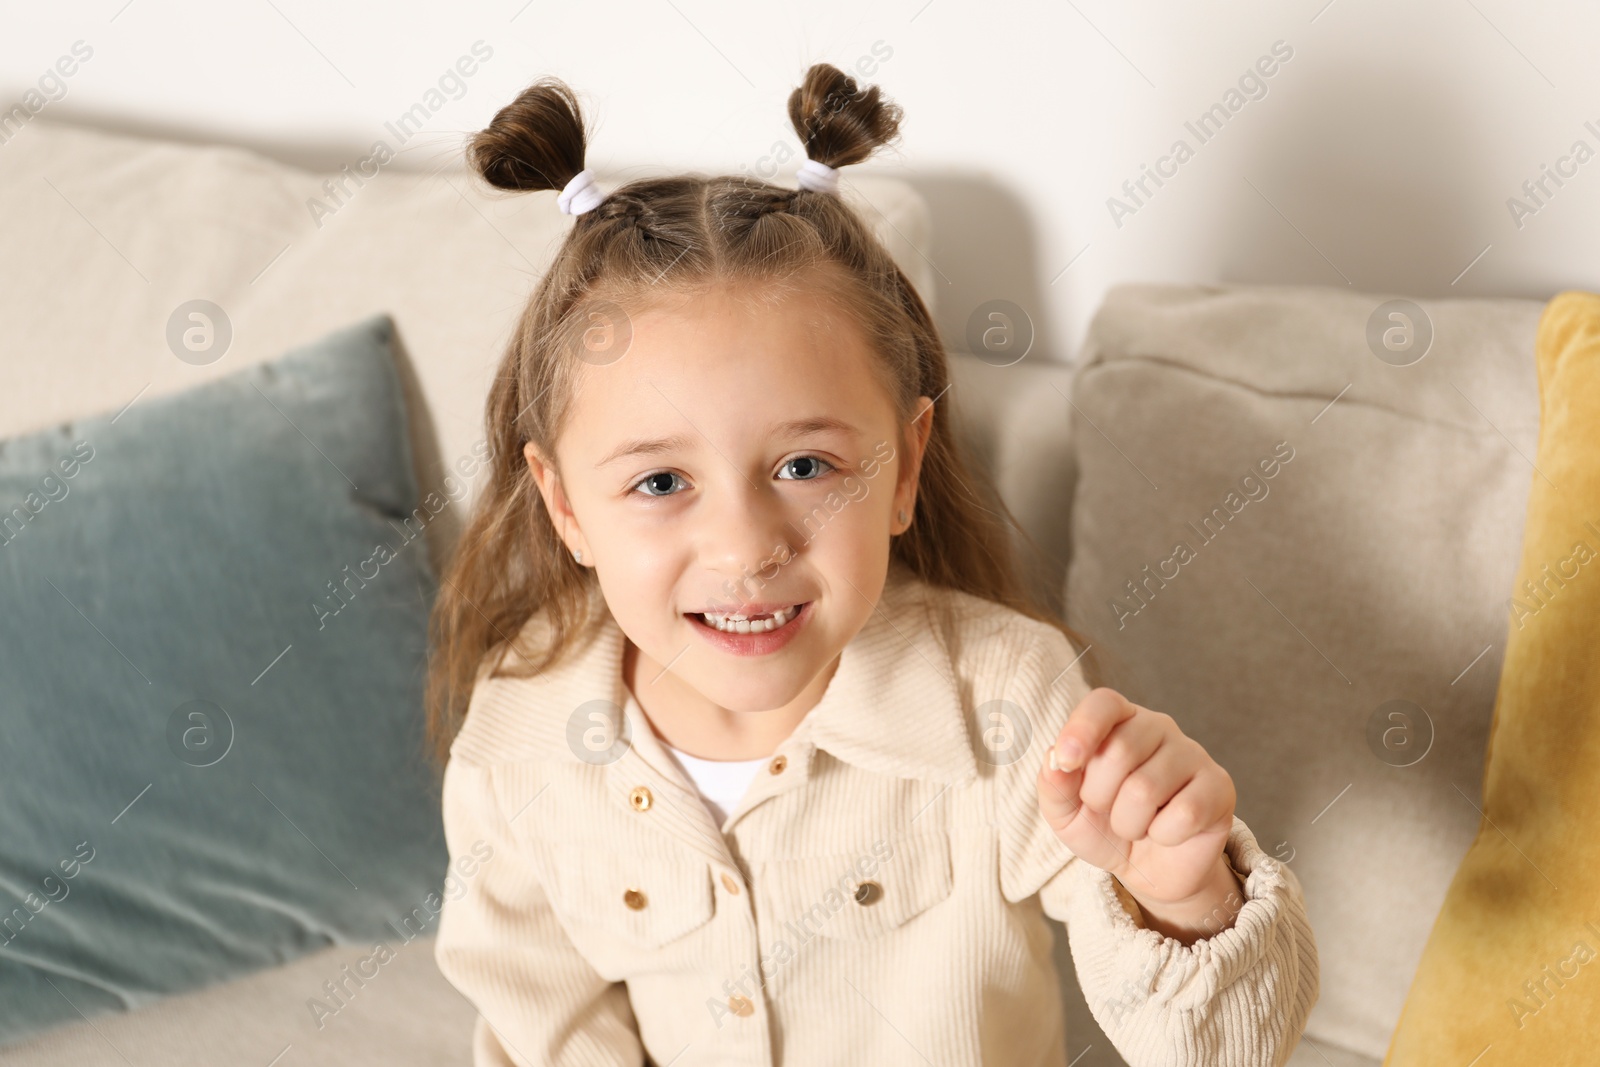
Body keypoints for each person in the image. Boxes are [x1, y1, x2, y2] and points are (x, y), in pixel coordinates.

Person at [425, 62, 1318, 1066]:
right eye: (661, 482)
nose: (745, 546)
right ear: (564, 506)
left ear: (904, 466)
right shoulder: (520, 739)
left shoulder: (1008, 698)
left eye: (805, 465)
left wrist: (1184, 895)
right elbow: (537, 1025)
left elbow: (1219, 1052)